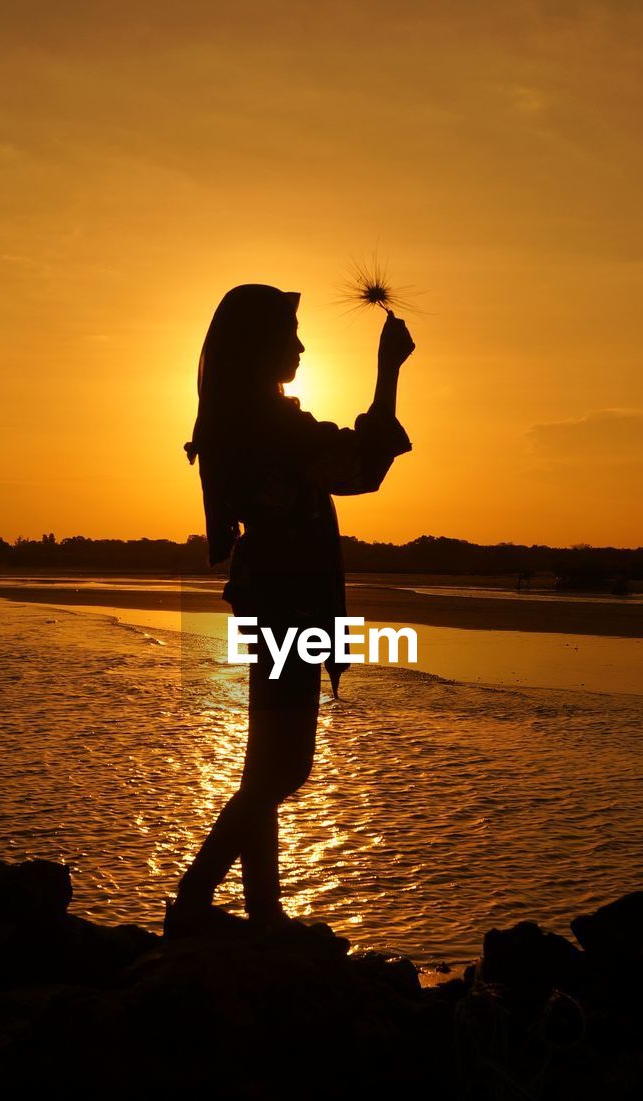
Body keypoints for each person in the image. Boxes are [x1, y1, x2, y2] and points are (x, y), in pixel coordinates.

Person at [165, 283, 414, 932]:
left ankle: (262, 910)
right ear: (257, 348)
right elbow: (361, 467)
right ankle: (195, 898)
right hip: (291, 606)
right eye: (288, 336)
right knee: (285, 768)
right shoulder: (269, 428)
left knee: (265, 766)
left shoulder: (241, 420)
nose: (300, 347)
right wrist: (388, 372)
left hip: (275, 600)